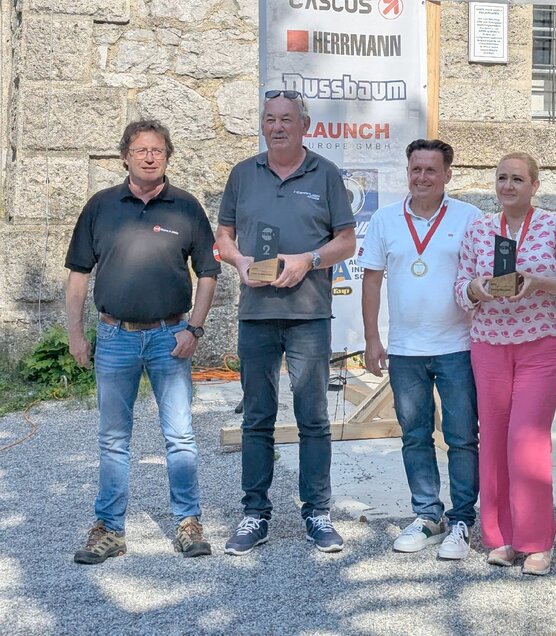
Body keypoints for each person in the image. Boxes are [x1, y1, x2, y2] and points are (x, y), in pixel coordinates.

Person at [65, 119, 220, 564]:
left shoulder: (186, 208)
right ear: (126, 157)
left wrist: (194, 328)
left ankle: (188, 523)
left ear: (167, 156)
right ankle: (110, 529)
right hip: (114, 337)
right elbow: (78, 274)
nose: (149, 156)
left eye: (157, 150)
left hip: (171, 337)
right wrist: (77, 334)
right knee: (113, 437)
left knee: (180, 435)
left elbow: (208, 274)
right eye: (140, 150)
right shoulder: (101, 206)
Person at [216, 91, 357, 555]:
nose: (277, 127)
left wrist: (309, 259)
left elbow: (347, 242)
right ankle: (255, 514)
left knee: (312, 416)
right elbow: (225, 235)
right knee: (257, 416)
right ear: (262, 125)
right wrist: (236, 260)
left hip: (308, 315)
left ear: (304, 126)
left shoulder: (326, 174)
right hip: (255, 313)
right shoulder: (243, 174)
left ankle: (317, 512)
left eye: (287, 120)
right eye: (270, 119)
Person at [454, 152, 556, 576]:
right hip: (489, 342)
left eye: (517, 179)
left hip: (542, 343)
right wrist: (476, 288)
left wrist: (541, 284)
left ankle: (536, 541)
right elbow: (460, 287)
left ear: (534, 186)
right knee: (492, 437)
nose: (508, 186)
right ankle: (500, 536)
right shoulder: (478, 229)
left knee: (526, 438)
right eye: (502, 178)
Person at [359, 139, 482, 559]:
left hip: (458, 346)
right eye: (416, 170)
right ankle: (428, 515)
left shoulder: (470, 217)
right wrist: (372, 338)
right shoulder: (385, 219)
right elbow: (371, 279)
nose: (423, 178)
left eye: (432, 170)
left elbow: (487, 278)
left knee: (462, 437)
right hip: (406, 349)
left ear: (448, 174)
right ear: (407, 171)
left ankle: (463, 519)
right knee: (414, 436)